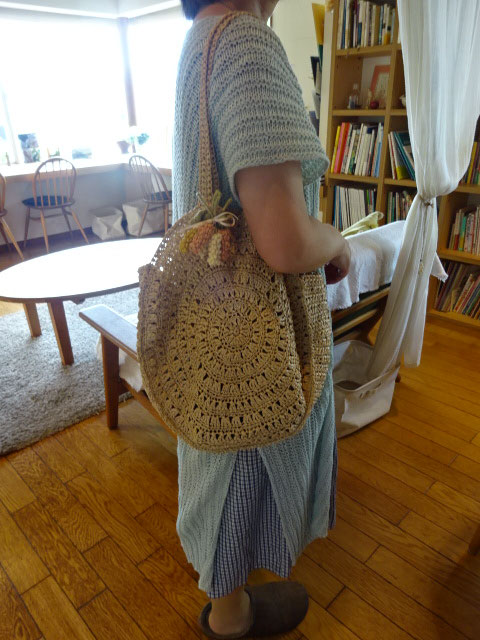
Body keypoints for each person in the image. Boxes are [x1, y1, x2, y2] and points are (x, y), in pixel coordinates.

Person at [174, 1, 351, 637]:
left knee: (220, 452)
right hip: (255, 327)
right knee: (249, 447)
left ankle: (229, 608)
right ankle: (232, 620)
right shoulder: (247, 42)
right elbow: (286, 242)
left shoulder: (200, 41)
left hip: (210, 308)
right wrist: (338, 240)